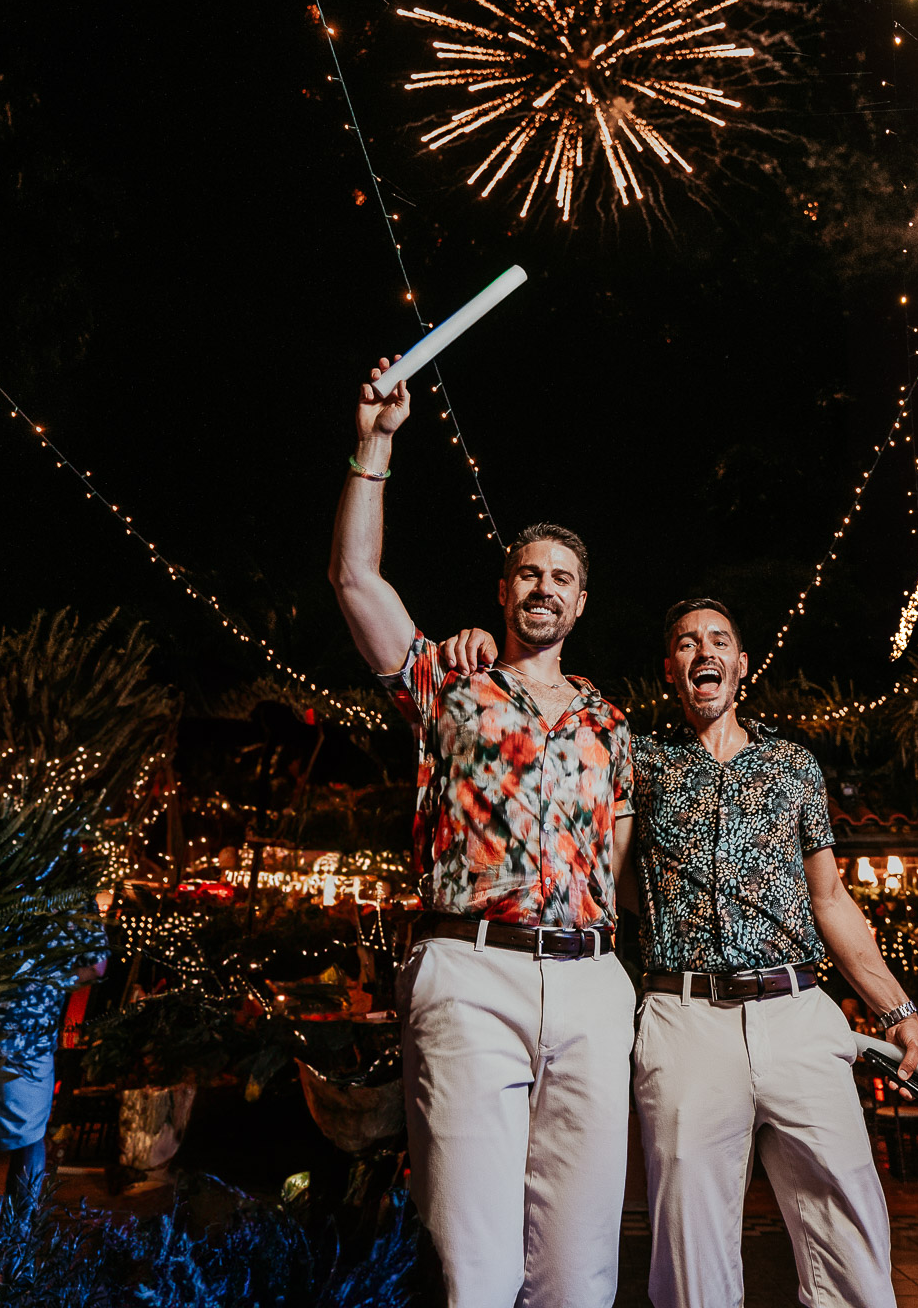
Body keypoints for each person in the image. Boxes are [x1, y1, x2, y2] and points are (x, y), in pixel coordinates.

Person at [442, 598, 918, 1308]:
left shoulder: (792, 765)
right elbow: (602, 878)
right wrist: (494, 651)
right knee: (690, 1263)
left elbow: (830, 900)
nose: (702, 651)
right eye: (684, 643)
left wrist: (896, 1006)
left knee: (851, 1238)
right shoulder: (639, 760)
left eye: (719, 641)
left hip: (798, 1012)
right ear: (670, 670)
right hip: (684, 1019)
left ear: (739, 665)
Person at [329, 357, 636, 1308]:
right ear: (502, 591)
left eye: (564, 579)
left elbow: (615, 863)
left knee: (581, 1271)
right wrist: (376, 443)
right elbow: (354, 578)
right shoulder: (450, 684)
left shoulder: (611, 724)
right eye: (529, 573)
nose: (544, 587)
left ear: (582, 603)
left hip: (589, 979)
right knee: (475, 1264)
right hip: (471, 970)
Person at [0, 903, 109, 1213]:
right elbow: (96, 966)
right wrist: (47, 984)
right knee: (28, 1139)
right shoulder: (73, 894)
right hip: (28, 1033)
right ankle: (18, 1235)